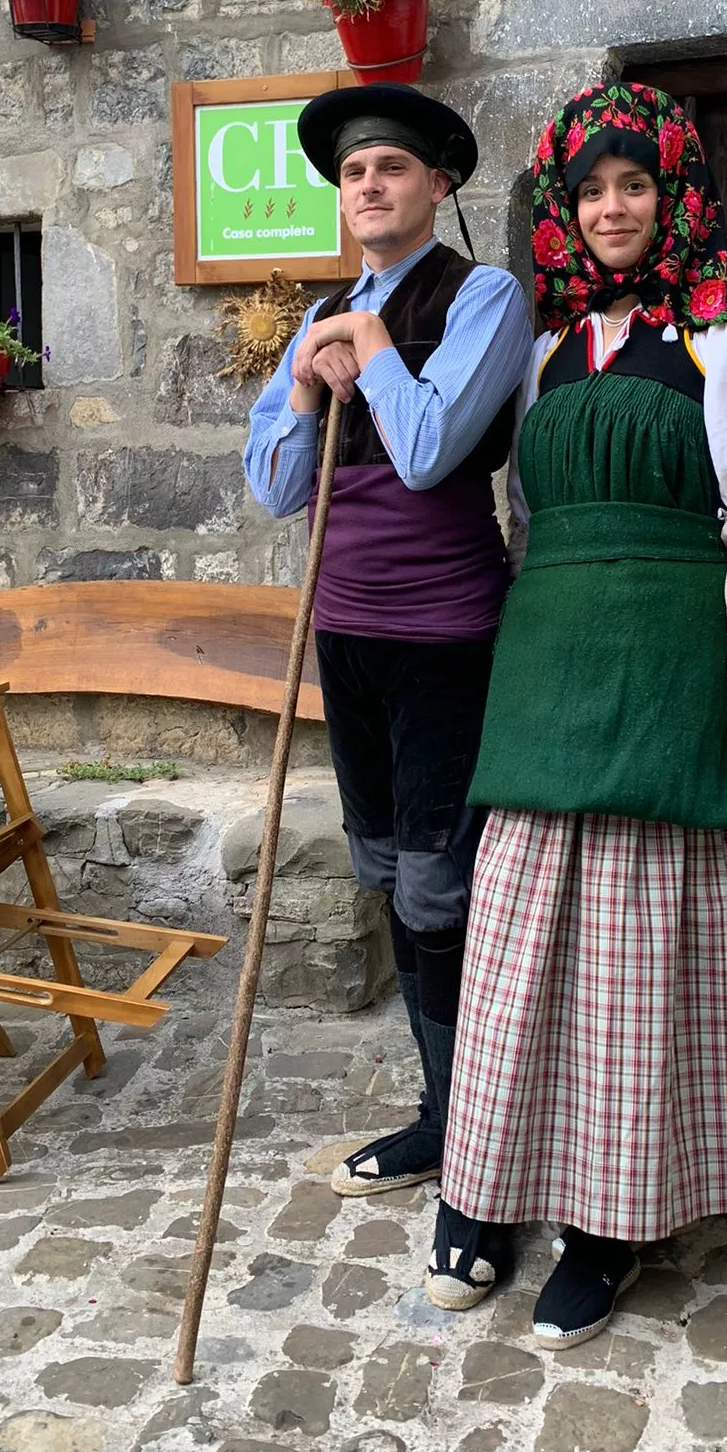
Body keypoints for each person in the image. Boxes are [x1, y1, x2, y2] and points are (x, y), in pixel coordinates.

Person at [425, 80, 727, 1345]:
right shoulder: (547, 353)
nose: (610, 208)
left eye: (634, 184)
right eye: (589, 188)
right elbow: (526, 523)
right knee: (514, 953)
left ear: (676, 199)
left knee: (642, 959)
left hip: (665, 681)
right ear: (563, 204)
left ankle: (611, 1220)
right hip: (547, 679)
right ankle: (487, 1190)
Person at [244, 82, 534, 1207]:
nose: (370, 185)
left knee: (440, 886)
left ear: (438, 184)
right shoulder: (321, 314)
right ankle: (442, 1110)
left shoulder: (485, 297)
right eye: (355, 173)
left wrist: (366, 340)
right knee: (385, 873)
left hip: (446, 638)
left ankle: (470, 1130)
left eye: (393, 169)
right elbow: (273, 484)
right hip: (347, 633)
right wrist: (310, 393)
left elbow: (427, 451)